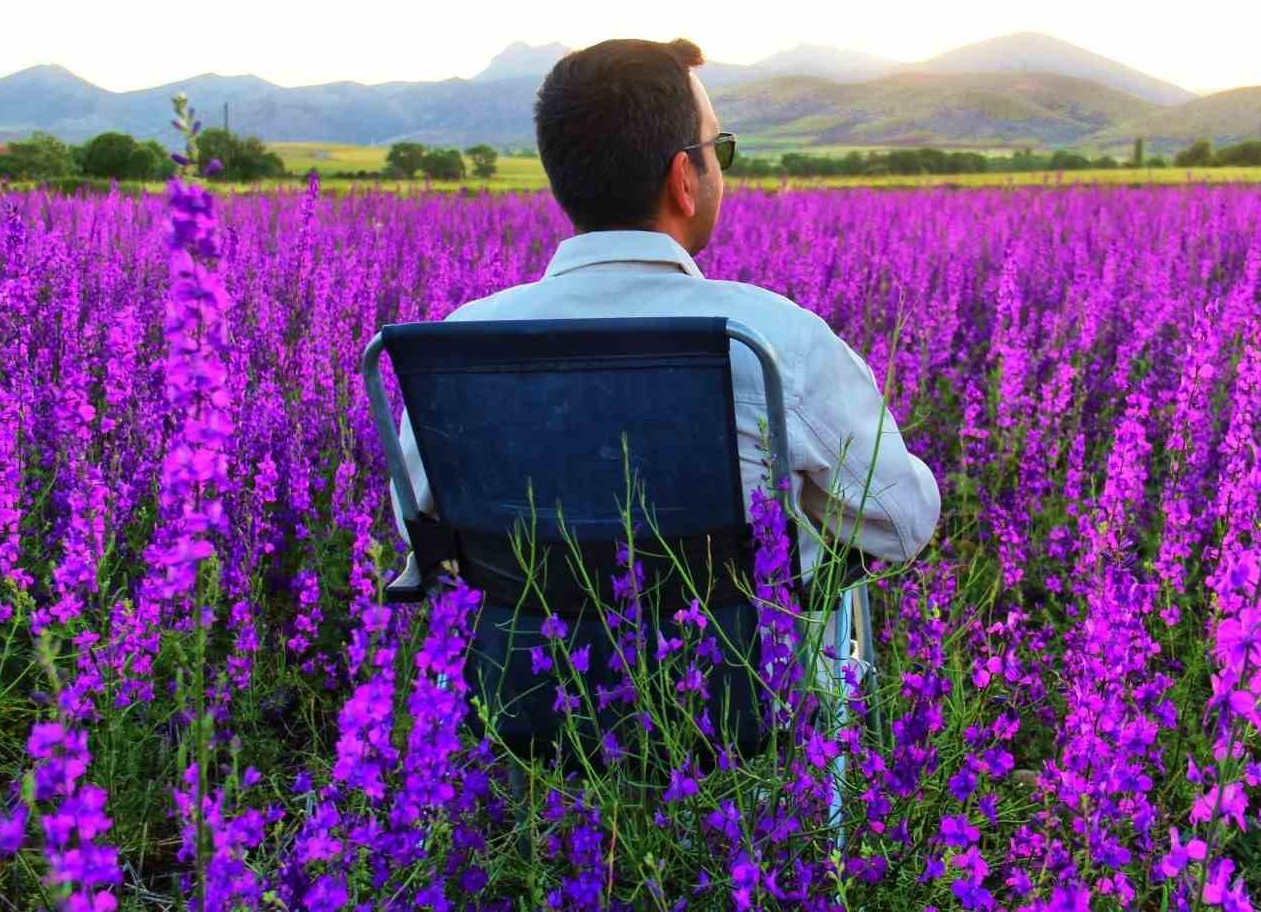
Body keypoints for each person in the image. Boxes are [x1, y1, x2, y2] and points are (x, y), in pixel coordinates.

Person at [392, 37, 940, 758]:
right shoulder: (771, 338)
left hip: (524, 697)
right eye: (722, 150)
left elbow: (421, 531)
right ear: (685, 178)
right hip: (732, 703)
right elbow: (901, 525)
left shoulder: (460, 344)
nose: (720, 168)